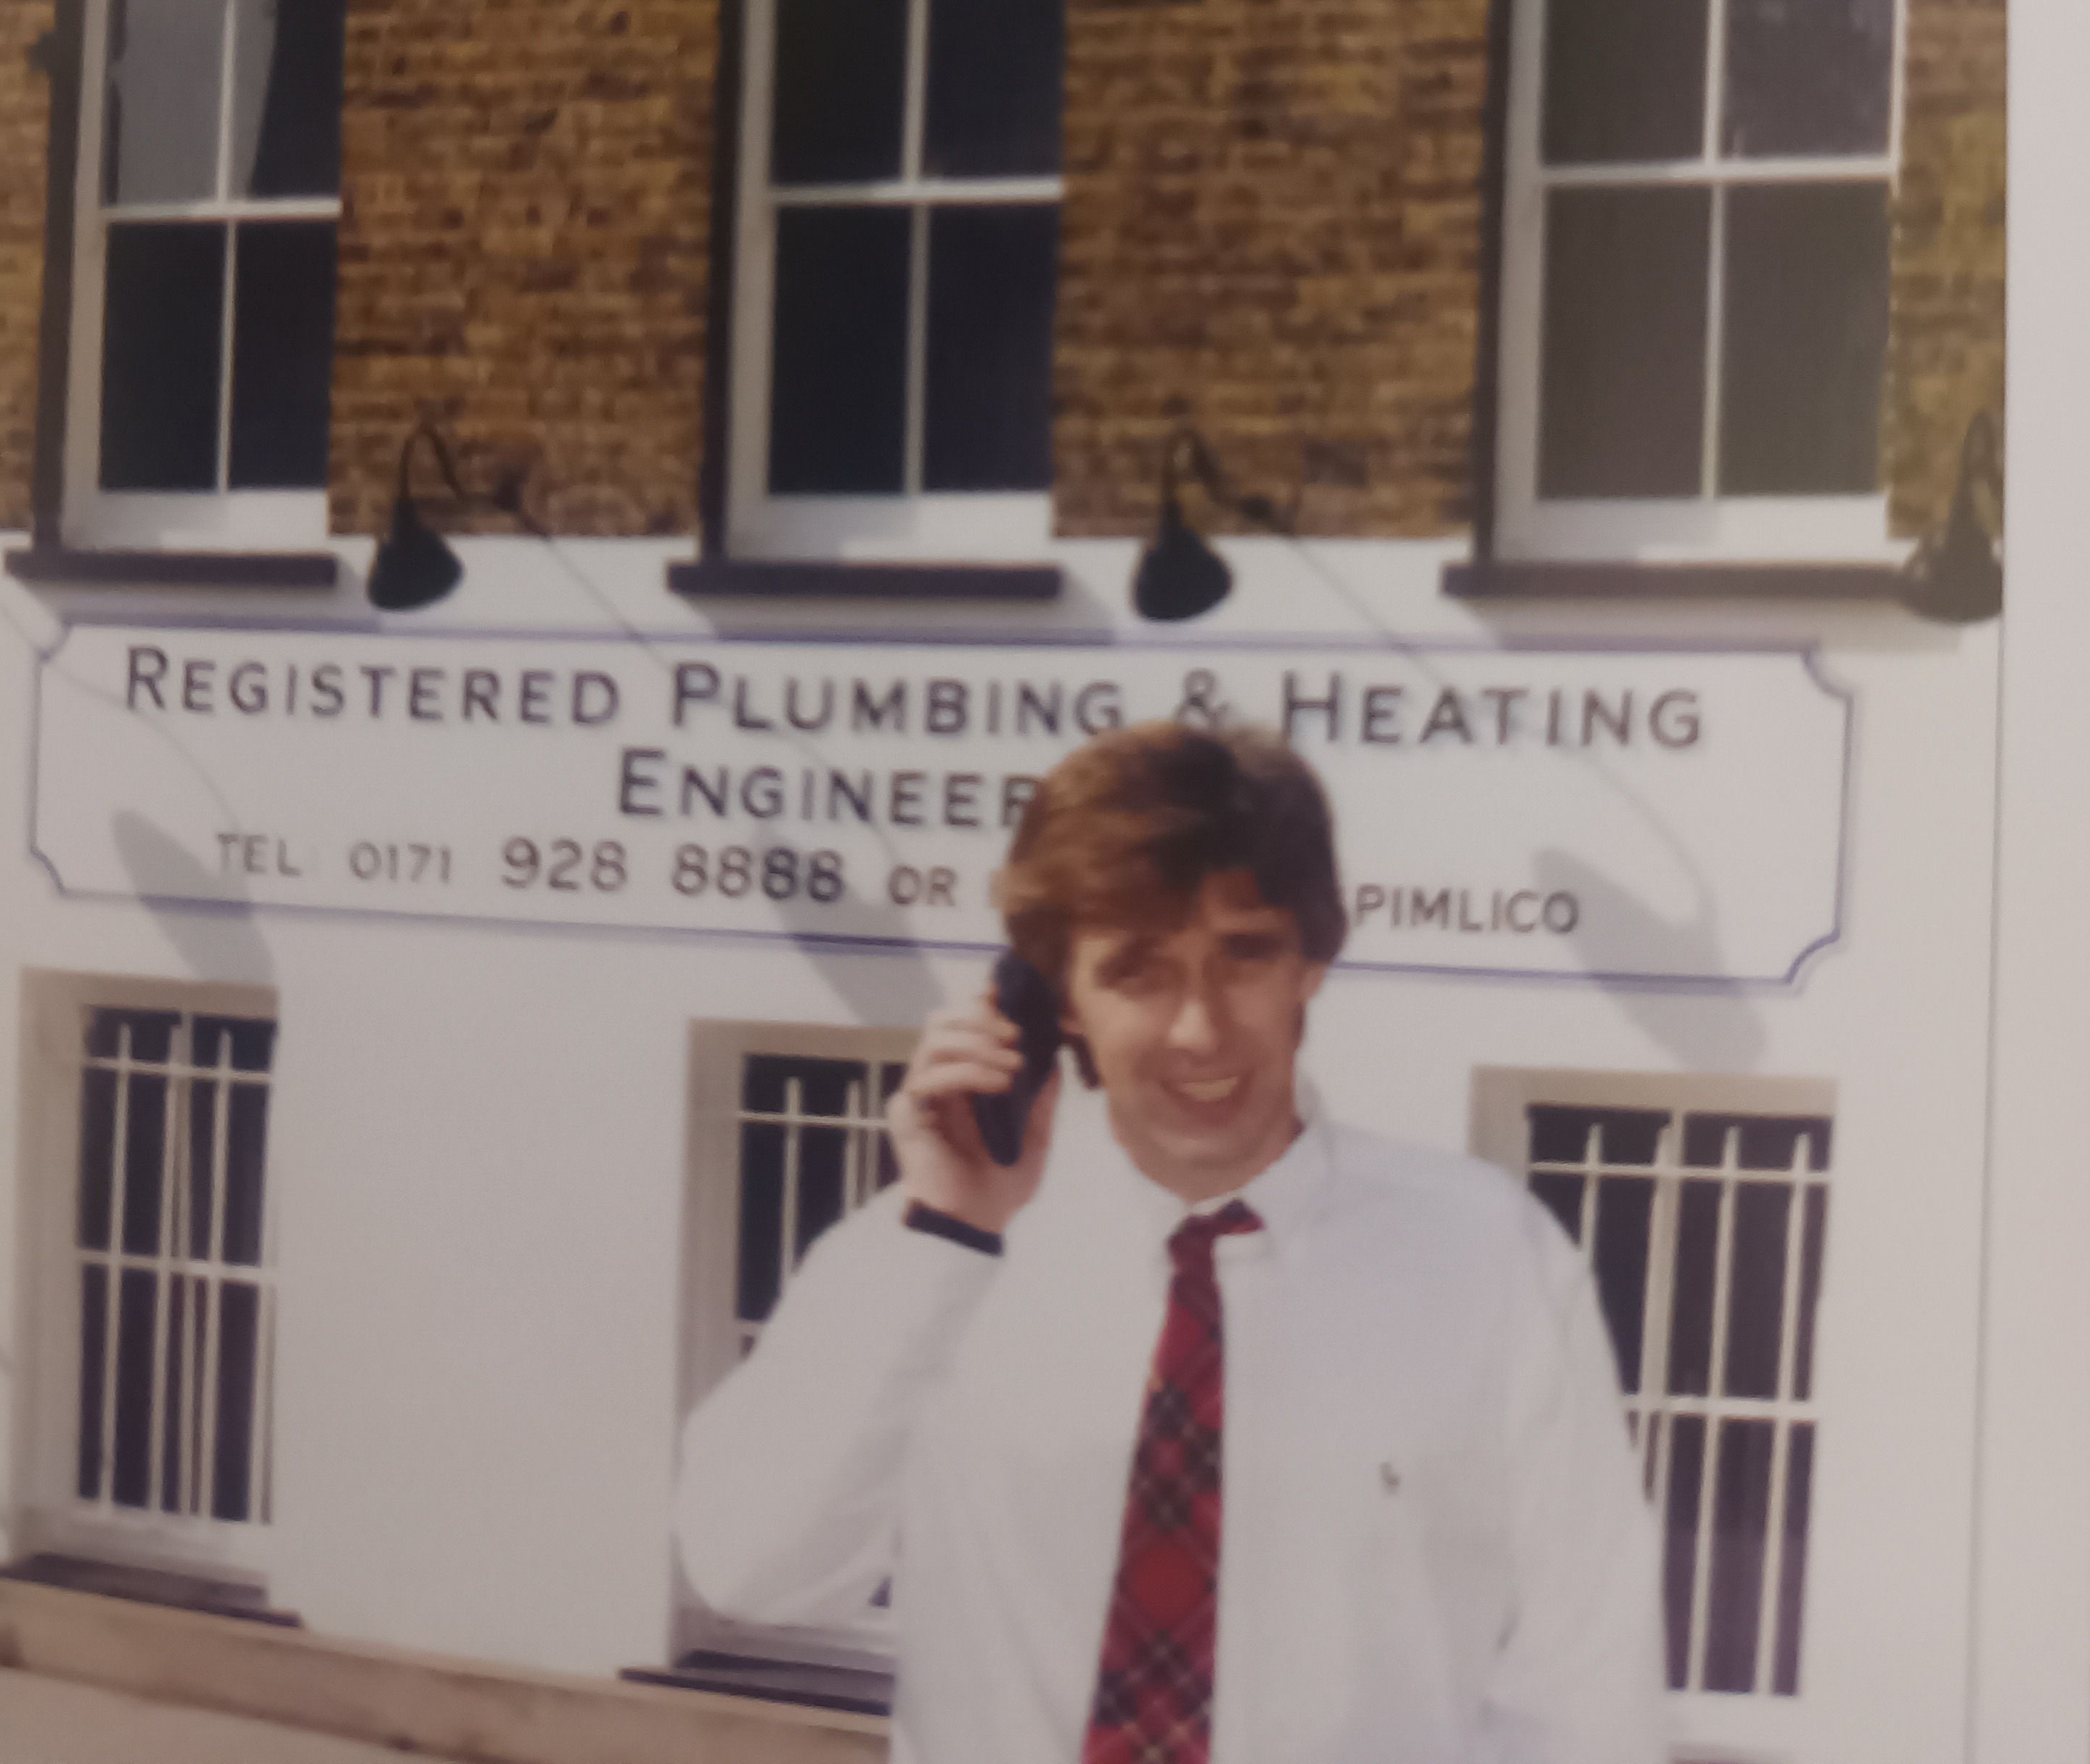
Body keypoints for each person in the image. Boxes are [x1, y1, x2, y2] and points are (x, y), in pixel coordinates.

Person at [674, 722, 1665, 1764]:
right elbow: (750, 1571)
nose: (1199, 1029)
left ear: (1311, 963)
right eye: (1138, 972)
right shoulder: (930, 1254)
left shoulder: (1489, 1256)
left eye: (1245, 954)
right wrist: (946, 1239)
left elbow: (1585, 1686)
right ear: (1058, 1002)